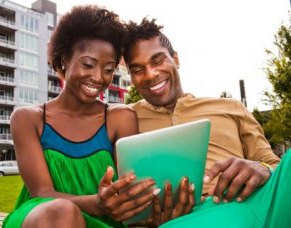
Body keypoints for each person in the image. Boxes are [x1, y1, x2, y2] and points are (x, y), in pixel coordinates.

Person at [3, 6, 194, 228]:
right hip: (43, 216)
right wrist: (96, 203)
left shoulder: (120, 118)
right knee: (62, 212)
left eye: (109, 69)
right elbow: (43, 192)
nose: (98, 78)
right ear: (64, 60)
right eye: (88, 64)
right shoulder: (28, 119)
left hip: (103, 220)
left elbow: (130, 187)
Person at [122, 18, 291, 227]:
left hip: (258, 201)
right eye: (137, 70)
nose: (151, 74)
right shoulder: (123, 118)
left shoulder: (231, 107)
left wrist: (262, 168)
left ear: (176, 59)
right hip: (188, 218)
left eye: (158, 61)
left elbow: (276, 167)